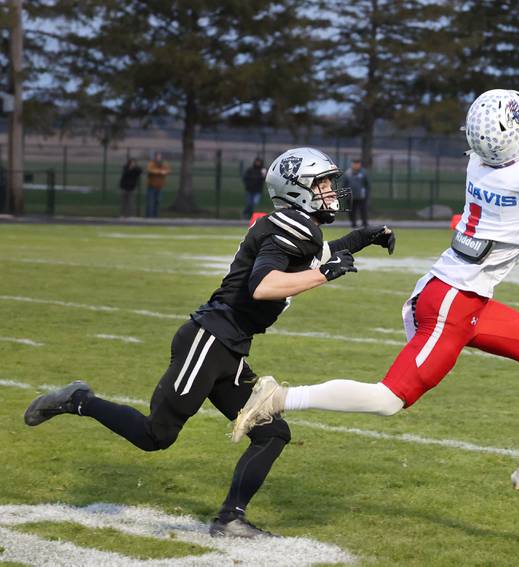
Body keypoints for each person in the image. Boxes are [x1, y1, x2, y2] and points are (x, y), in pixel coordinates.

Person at [231, 37, 519, 507]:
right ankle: (277, 398)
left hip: (459, 296)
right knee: (388, 400)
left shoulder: (485, 162)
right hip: (452, 305)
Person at [23, 147, 396, 537]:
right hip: (209, 339)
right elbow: (264, 286)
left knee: (272, 432)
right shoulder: (290, 226)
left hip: (230, 347)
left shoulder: (298, 227)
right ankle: (77, 399)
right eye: (321, 183)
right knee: (156, 436)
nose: (331, 191)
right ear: (297, 188)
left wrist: (362, 238)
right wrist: (326, 275)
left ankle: (230, 518)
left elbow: (315, 255)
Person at [344, 158, 370, 227]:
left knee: (363, 210)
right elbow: (345, 184)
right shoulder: (348, 173)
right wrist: (346, 194)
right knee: (352, 211)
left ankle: (364, 223)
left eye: (357, 164)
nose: (356, 165)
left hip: (361, 196)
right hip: (351, 196)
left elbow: (367, 184)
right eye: (354, 164)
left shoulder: (363, 173)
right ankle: (353, 223)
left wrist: (366, 194)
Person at [145, 152, 170, 218]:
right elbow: (149, 170)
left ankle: (156, 217)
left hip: (160, 186)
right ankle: (149, 217)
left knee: (158, 202)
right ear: (155, 157)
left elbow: (168, 170)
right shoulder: (151, 163)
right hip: (151, 186)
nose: (158, 157)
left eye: (159, 156)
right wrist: (159, 172)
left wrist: (164, 172)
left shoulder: (164, 163)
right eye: (157, 156)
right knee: (150, 202)